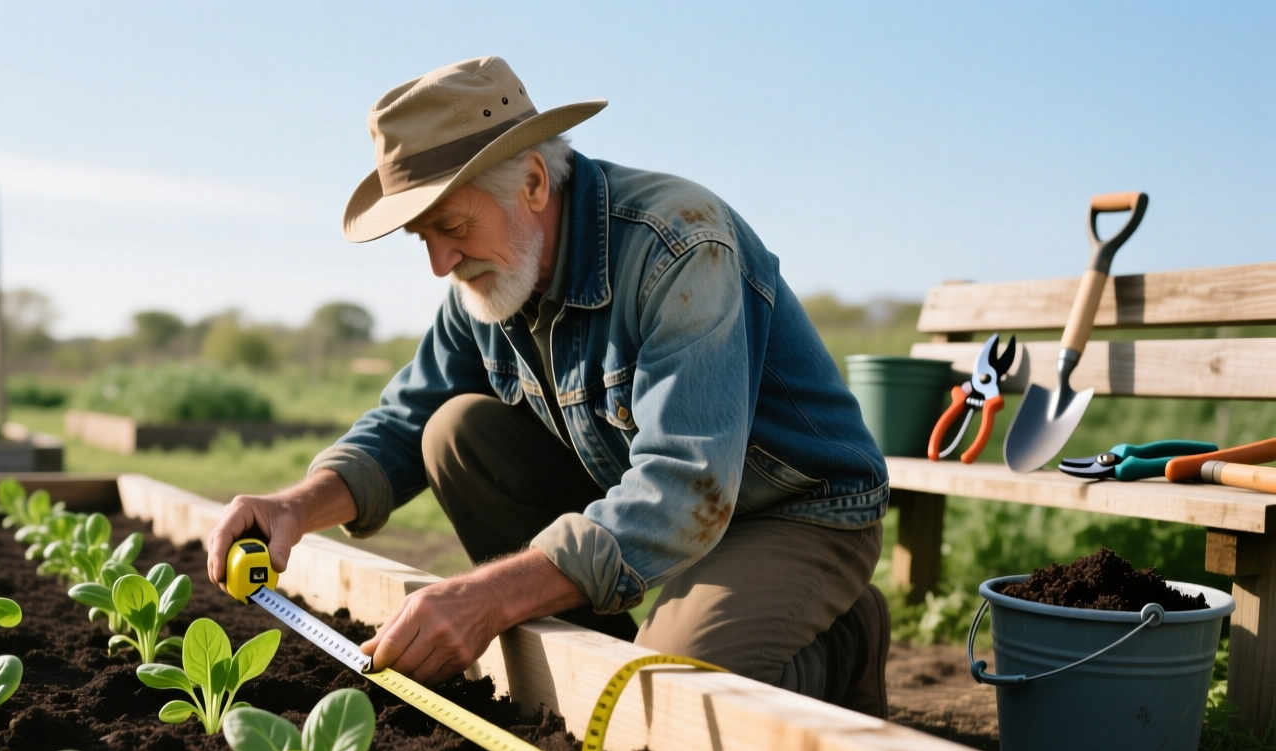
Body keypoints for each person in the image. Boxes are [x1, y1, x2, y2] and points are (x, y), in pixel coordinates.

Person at [208, 56, 892, 716]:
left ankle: (843, 640)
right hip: (659, 499)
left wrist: (491, 596)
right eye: (422, 237)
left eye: (449, 225)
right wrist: (295, 505)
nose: (440, 262)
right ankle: (602, 658)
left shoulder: (680, 246)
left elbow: (687, 487)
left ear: (533, 183)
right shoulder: (486, 277)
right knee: (455, 431)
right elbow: (405, 420)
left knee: (670, 701)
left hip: (792, 509)